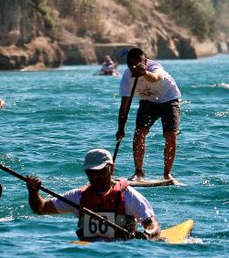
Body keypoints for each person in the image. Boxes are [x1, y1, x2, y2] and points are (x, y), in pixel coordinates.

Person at [25, 148, 161, 242]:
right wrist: (33, 192)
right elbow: (41, 208)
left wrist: (147, 234)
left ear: (111, 168)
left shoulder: (128, 196)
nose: (95, 177)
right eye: (90, 172)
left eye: (100, 172)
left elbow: (153, 225)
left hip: (122, 250)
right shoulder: (78, 196)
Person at [116, 47, 181, 182]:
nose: (135, 67)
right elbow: (124, 106)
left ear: (145, 62)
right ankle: (138, 172)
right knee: (139, 133)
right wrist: (121, 128)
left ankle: (167, 174)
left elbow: (154, 78)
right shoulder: (127, 78)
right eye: (131, 65)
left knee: (170, 135)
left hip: (169, 98)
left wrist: (144, 72)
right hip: (148, 101)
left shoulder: (155, 67)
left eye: (138, 63)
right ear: (128, 65)